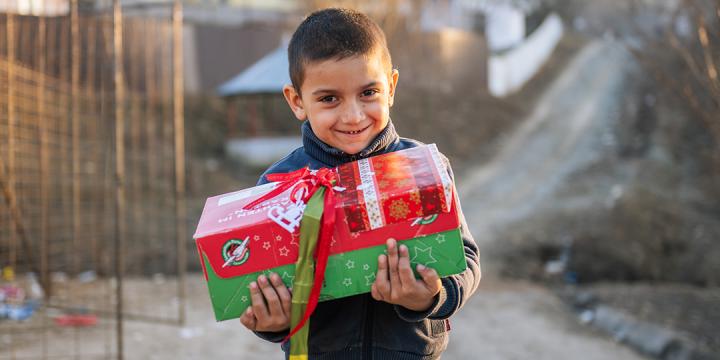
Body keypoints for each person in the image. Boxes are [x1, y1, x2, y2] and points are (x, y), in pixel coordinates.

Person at [238, 8, 481, 360]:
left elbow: (468, 258)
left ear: (391, 87)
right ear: (296, 101)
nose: (353, 116)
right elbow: (264, 287)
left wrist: (432, 295)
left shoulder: (423, 170)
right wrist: (273, 321)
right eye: (329, 99)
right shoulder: (278, 187)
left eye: (368, 92)